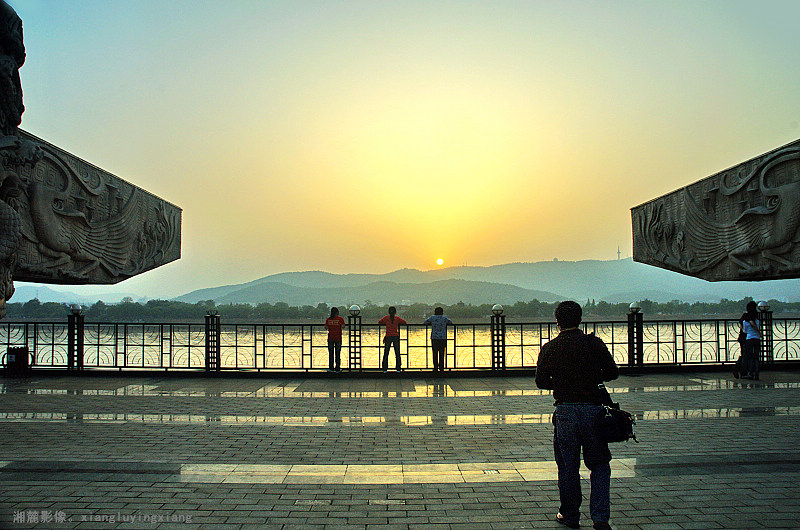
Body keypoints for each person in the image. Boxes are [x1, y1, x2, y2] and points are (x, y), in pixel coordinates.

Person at [535, 301, 619, 530]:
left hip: (565, 411)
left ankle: (570, 515)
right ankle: (600, 517)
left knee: (568, 465)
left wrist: (561, 381)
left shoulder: (551, 347)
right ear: (580, 319)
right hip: (594, 409)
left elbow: (541, 381)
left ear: (557, 321)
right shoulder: (594, 344)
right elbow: (613, 373)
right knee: (600, 464)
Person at [424, 307, 453, 372]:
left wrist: (431, 323)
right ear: (442, 312)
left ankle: (435, 367)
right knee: (442, 353)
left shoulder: (432, 318)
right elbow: (450, 322)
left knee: (435, 353)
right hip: (442, 338)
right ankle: (441, 367)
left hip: (434, 338)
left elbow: (425, 322)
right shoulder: (444, 318)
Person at [738, 301, 761, 380]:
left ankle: (749, 372)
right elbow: (754, 324)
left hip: (748, 339)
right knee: (756, 357)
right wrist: (759, 333)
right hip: (757, 338)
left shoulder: (745, 318)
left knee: (748, 356)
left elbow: (744, 329)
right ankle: (756, 373)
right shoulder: (757, 319)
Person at [378, 306, 406, 372]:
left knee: (386, 352)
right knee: (397, 352)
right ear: (395, 312)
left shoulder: (386, 318)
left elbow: (379, 322)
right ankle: (398, 368)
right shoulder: (397, 318)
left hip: (388, 337)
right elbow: (404, 322)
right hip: (395, 336)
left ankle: (385, 369)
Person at [324, 307, 345, 372]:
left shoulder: (328, 319)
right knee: (338, 353)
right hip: (338, 338)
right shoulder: (340, 319)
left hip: (330, 338)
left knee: (331, 353)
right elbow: (343, 326)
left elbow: (326, 327)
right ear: (337, 312)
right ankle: (337, 368)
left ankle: (331, 368)